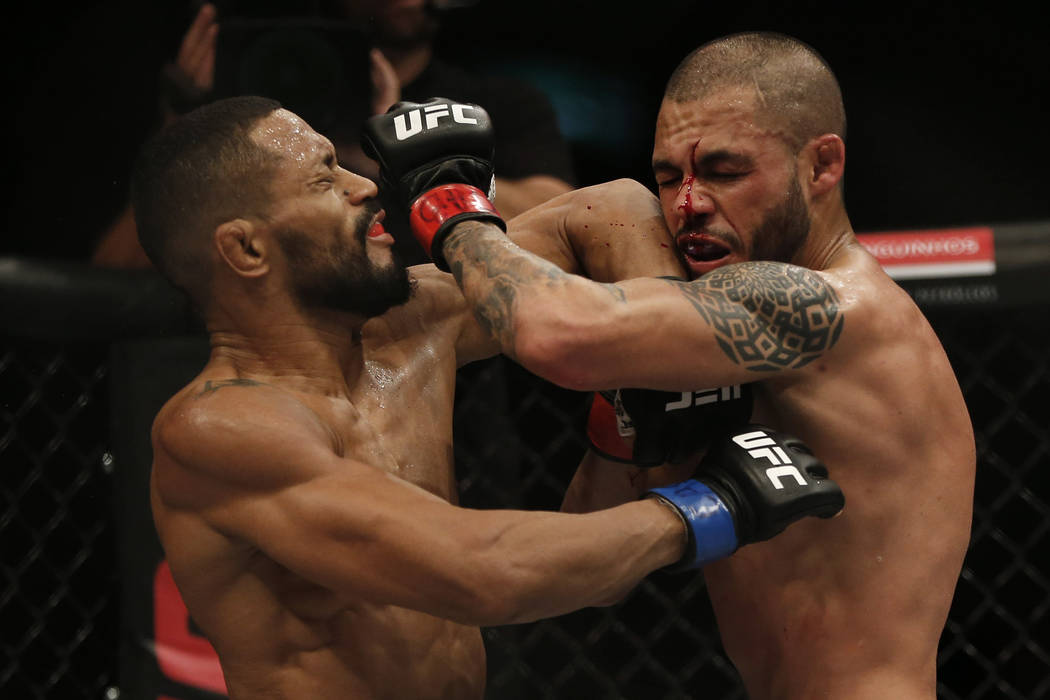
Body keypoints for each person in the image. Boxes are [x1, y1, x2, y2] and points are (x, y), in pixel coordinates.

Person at [136, 94, 843, 698]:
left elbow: (612, 209)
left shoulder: (413, 328)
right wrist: (715, 506)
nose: (366, 186)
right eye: (326, 179)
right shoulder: (219, 430)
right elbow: (481, 570)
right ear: (246, 251)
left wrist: (648, 372)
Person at [365, 32, 976, 699]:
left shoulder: (830, 310)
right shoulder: (722, 334)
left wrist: (449, 203)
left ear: (821, 167)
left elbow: (556, 336)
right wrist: (627, 425)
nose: (688, 203)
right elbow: (591, 571)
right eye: (669, 176)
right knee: (610, 209)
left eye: (723, 171)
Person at [91, 0, 574, 269]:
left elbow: (559, 224)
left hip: (456, 394)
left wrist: (403, 150)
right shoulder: (253, 111)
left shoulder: (497, 103)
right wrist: (185, 131)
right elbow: (118, 271)